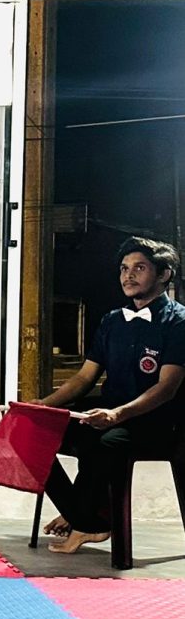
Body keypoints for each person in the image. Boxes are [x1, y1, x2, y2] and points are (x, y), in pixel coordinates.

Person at [37, 237, 185, 553]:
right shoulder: (112, 320)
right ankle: (83, 516)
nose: (128, 276)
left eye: (139, 268)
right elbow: (84, 378)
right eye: (123, 268)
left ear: (164, 274)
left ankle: (84, 520)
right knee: (36, 435)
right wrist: (42, 406)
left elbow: (166, 388)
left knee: (103, 443)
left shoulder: (179, 322)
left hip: (156, 421)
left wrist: (117, 414)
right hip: (110, 414)